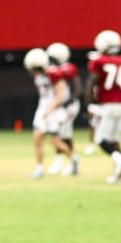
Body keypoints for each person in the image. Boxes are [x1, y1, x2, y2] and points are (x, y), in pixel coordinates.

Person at [86, 30, 121, 184]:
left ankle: (119, 158)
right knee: (115, 140)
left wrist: (89, 103)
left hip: (107, 105)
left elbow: (92, 83)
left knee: (101, 140)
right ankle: (119, 175)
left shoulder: (99, 61)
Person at [24, 48, 71, 179]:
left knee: (55, 142)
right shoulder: (39, 75)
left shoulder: (54, 73)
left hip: (54, 111)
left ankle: (73, 158)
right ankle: (39, 168)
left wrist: (50, 109)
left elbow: (61, 94)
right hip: (43, 110)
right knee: (37, 139)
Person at [45, 43, 81, 175]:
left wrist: (69, 101)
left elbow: (77, 87)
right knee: (60, 134)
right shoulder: (54, 69)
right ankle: (62, 161)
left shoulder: (68, 69)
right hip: (60, 105)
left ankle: (71, 162)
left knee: (63, 134)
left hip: (68, 105)